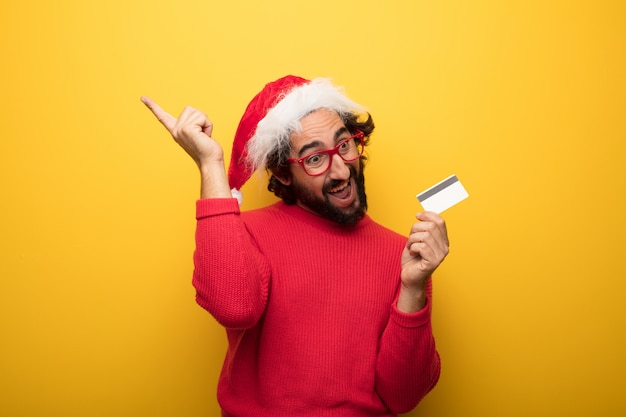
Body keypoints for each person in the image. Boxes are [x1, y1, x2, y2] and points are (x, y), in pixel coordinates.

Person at [141, 75, 450, 417]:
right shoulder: (246, 232)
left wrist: (414, 286)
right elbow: (233, 308)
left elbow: (403, 396)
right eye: (314, 159)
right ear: (283, 173)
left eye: (344, 145)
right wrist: (210, 164)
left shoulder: (403, 256)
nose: (341, 171)